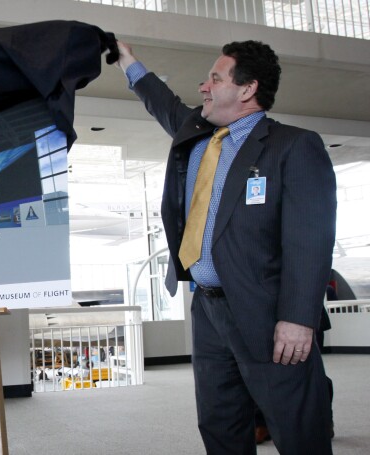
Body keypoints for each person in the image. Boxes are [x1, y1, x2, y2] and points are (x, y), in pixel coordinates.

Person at [115, 40, 336, 454]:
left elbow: (311, 238)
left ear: (247, 89)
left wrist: (297, 318)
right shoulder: (199, 137)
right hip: (208, 308)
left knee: (295, 425)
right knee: (220, 422)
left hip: (268, 313)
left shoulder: (292, 145)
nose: (204, 86)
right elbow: (163, 103)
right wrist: (128, 62)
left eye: (215, 78)